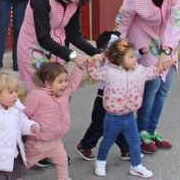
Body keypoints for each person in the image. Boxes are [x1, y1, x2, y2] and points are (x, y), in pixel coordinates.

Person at [115, 0, 180, 154]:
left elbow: (177, 20)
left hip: (167, 40)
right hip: (143, 38)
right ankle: (140, 133)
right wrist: (118, 45)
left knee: (164, 87)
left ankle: (151, 131)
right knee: (152, 85)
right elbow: (123, 19)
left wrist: (168, 50)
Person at [17, 0, 101, 92]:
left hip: (57, 49)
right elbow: (43, 38)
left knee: (60, 92)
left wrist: (98, 52)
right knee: (43, 95)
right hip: (33, 49)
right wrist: (73, 55)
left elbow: (73, 34)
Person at [87, 39, 163, 178]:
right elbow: (94, 74)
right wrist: (93, 61)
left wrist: (163, 63)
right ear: (119, 59)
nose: (135, 59)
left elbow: (153, 71)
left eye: (134, 56)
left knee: (134, 143)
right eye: (131, 56)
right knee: (107, 141)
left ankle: (136, 166)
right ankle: (101, 161)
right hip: (112, 117)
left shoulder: (139, 71)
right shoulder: (108, 71)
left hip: (129, 116)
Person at [23, 62, 83, 180]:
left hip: (56, 141)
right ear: (47, 84)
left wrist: (80, 68)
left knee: (62, 161)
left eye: (65, 80)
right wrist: (28, 127)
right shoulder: (36, 95)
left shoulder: (64, 92)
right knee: (23, 165)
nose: (64, 85)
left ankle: (63, 178)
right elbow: (24, 114)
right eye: (60, 82)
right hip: (37, 144)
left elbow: (73, 82)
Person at [76, 31, 131, 161]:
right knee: (99, 124)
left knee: (116, 123)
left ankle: (126, 149)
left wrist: (141, 51)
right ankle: (84, 145)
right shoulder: (107, 58)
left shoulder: (120, 57)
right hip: (104, 96)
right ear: (105, 49)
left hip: (117, 96)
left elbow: (131, 56)